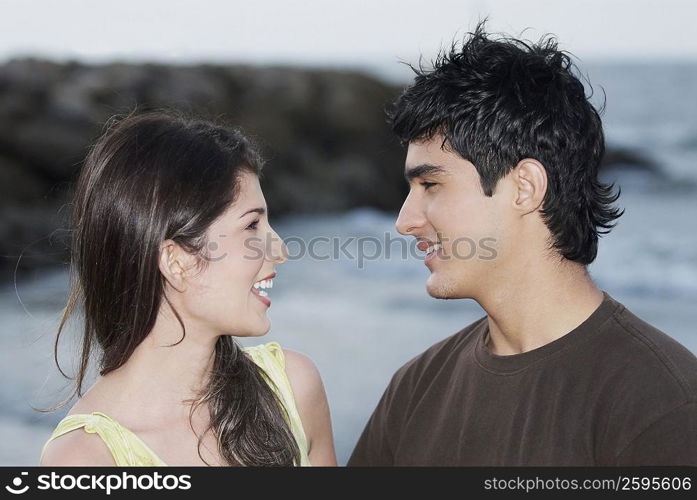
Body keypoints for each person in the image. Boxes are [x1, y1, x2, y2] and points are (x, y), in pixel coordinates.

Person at [348, 24, 697, 466]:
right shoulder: (415, 388)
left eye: (431, 184)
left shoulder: (661, 405)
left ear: (525, 187)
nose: (404, 222)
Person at [40, 110, 336, 466]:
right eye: (252, 225)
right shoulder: (86, 460)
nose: (281, 250)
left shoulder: (293, 390)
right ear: (176, 261)